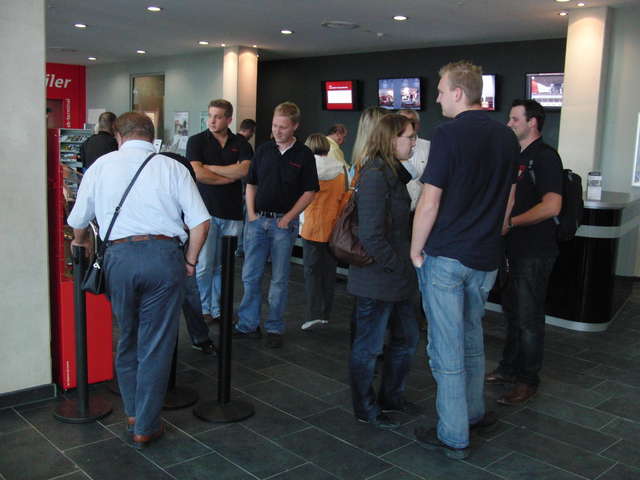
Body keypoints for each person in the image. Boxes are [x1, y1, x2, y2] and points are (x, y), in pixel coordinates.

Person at [67, 112, 210, 448]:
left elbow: (78, 221)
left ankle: (133, 413)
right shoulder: (172, 167)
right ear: (151, 136)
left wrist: (83, 243)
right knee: (156, 343)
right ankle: (145, 425)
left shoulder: (101, 167)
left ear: (119, 136)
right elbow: (201, 222)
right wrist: (190, 261)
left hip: (119, 260)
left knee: (127, 337)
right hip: (164, 258)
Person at [410, 61, 518, 459]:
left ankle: (453, 433)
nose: (437, 98)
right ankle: (473, 412)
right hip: (485, 257)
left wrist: (415, 248)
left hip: (447, 257)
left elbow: (430, 200)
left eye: (440, 91)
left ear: (458, 92)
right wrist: (494, 229)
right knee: (472, 336)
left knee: (446, 346)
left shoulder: (448, 134)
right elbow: (509, 196)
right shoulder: (507, 136)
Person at [486, 99, 563, 405]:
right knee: (513, 313)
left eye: (515, 119)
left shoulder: (545, 157)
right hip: (513, 250)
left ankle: (528, 380)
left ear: (532, 122)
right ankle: (509, 368)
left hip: (535, 251)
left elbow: (552, 206)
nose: (509, 124)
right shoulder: (518, 156)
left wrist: (512, 223)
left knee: (529, 318)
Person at [349, 114, 420, 430]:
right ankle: (365, 407)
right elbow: (371, 235)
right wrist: (399, 265)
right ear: (391, 140)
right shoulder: (376, 175)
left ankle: (392, 397)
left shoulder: (392, 172)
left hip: (397, 277)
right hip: (378, 279)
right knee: (369, 347)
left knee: (406, 339)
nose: (414, 142)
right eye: (409, 137)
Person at [233, 102, 319, 348]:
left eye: (283, 127)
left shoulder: (303, 154)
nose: (277, 131)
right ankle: (248, 324)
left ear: (295, 126)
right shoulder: (263, 150)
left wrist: (289, 217)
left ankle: (274, 327)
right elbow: (251, 183)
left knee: (279, 279)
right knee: (250, 276)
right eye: (274, 126)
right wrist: (251, 214)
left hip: (283, 225)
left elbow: (310, 191)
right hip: (257, 221)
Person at [187, 99, 253, 324]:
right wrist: (228, 177)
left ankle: (219, 309)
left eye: (217, 117)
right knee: (205, 265)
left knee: (224, 266)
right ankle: (204, 308)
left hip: (232, 213)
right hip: (204, 213)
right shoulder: (196, 141)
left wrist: (211, 168)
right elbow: (198, 173)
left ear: (229, 119)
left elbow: (244, 170)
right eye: (210, 116)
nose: (212, 121)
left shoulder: (241, 143)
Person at [162, 152, 217, 355]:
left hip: (174, 245)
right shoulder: (174, 173)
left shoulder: (177, 174)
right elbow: (200, 223)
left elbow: (197, 221)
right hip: (170, 246)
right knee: (187, 294)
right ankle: (197, 338)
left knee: (189, 293)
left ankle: (197, 337)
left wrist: (190, 259)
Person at [300, 134, 348, 331]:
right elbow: (345, 198)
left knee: (312, 273)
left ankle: (312, 315)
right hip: (333, 228)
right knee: (329, 273)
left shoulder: (308, 169)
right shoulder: (341, 169)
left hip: (311, 228)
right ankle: (325, 314)